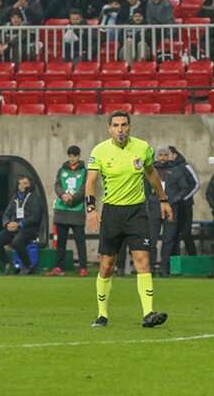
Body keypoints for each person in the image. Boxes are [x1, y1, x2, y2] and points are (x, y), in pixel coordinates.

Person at [84, 111, 172, 329]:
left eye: (124, 125)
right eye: (116, 125)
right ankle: (102, 314)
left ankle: (148, 313)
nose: (120, 129)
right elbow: (91, 182)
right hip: (112, 213)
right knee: (106, 266)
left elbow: (151, 174)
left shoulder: (142, 148)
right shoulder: (100, 151)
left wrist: (163, 199)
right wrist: (91, 209)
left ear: (130, 127)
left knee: (143, 261)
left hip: (137, 212)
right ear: (109, 128)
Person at [150, 146, 195, 277]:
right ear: (157, 156)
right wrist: (150, 199)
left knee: (168, 239)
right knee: (151, 239)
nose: (163, 158)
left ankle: (164, 268)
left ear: (169, 156)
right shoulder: (151, 169)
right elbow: (144, 186)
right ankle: (151, 267)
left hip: (171, 208)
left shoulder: (176, 170)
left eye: (165, 155)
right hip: (154, 208)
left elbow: (185, 187)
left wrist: (175, 199)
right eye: (160, 155)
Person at [49, 145, 89, 277]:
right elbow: (57, 185)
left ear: (79, 156)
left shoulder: (84, 171)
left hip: (77, 210)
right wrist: (63, 196)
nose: (72, 158)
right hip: (62, 210)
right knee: (61, 241)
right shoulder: (62, 170)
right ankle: (59, 267)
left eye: (75, 156)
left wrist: (73, 198)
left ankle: (83, 267)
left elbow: (85, 187)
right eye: (70, 156)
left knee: (80, 241)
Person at [0, 176, 44, 274]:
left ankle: (28, 266)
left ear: (30, 185)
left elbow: (36, 217)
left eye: (25, 183)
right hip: (13, 228)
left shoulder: (35, 198)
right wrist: (7, 224)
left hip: (29, 228)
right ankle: (8, 264)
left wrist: (20, 224)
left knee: (17, 241)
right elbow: (6, 214)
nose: (22, 186)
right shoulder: (15, 197)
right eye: (20, 183)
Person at [168, 145, 200, 257]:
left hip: (185, 206)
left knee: (186, 233)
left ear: (174, 155)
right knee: (173, 234)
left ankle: (193, 259)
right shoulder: (166, 169)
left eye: (168, 154)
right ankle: (173, 262)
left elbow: (196, 184)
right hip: (173, 207)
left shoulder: (185, 166)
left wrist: (184, 198)